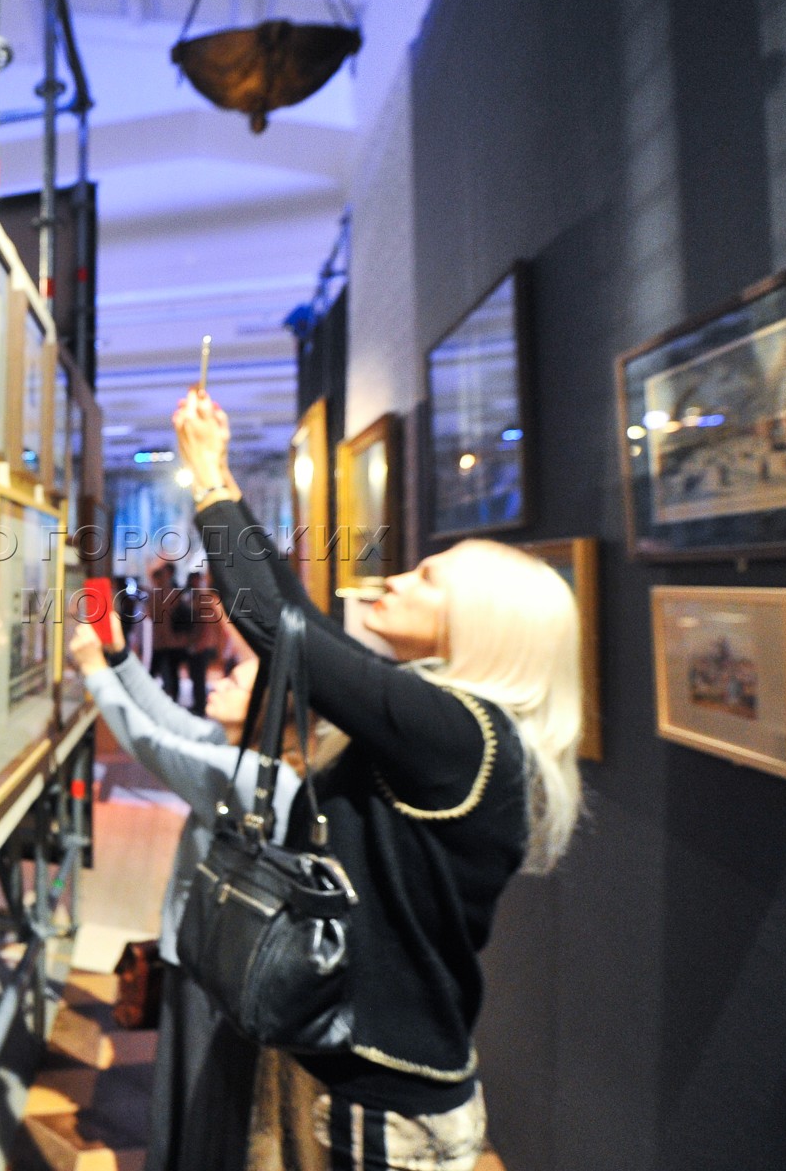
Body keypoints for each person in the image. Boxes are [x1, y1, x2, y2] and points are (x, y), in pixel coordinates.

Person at [171, 388, 583, 1171]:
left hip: (382, 1098)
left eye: (427, 578)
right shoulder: (447, 722)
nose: (394, 581)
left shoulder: (458, 731)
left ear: (485, 623)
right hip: (353, 1065)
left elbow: (276, 626)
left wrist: (208, 479)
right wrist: (220, 478)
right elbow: (294, 619)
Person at [68, 609, 302, 1171]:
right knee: (189, 1091)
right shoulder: (255, 759)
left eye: (237, 680)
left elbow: (151, 743)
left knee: (200, 1100)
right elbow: (172, 723)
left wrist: (95, 670)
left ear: (269, 705)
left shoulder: (249, 778)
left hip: (214, 964)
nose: (221, 680)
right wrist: (120, 658)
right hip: (213, 955)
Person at [183, 566, 227, 718]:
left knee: (199, 677)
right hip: (195, 642)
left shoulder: (204, 598)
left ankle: (200, 706)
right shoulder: (194, 597)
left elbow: (207, 625)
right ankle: (198, 705)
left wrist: (200, 643)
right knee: (196, 677)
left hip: (201, 644)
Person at [147, 560, 191, 702]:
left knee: (159, 672)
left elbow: (151, 615)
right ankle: (172, 699)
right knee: (172, 672)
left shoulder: (158, 595)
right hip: (173, 641)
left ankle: (158, 699)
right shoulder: (175, 593)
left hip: (164, 641)